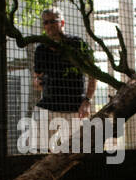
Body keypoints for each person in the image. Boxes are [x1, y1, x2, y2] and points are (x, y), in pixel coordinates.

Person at [31, 8, 96, 151]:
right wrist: (38, 83)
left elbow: (93, 75)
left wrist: (87, 101)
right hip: (48, 107)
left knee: (77, 152)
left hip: (75, 109)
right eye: (45, 22)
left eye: (52, 21)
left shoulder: (77, 44)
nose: (48, 26)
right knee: (39, 150)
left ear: (62, 22)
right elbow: (37, 80)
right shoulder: (41, 49)